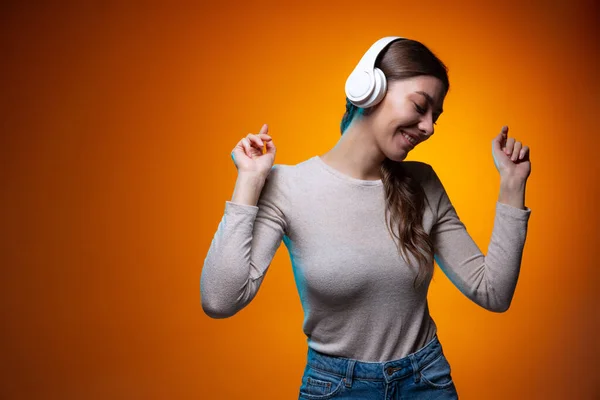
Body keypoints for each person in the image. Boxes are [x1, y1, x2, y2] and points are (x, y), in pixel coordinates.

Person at [200, 36, 532, 399]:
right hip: (336, 387)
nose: (429, 127)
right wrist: (248, 182)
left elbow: (493, 292)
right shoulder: (287, 185)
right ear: (368, 90)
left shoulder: (423, 183)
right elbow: (220, 300)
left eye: (435, 116)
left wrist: (513, 185)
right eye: (420, 106)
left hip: (426, 382)